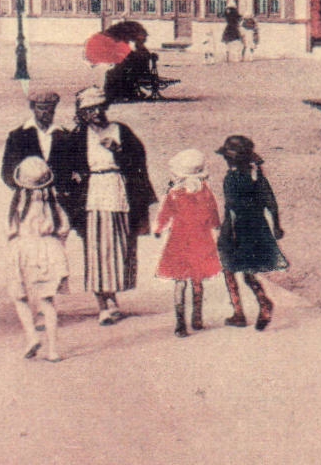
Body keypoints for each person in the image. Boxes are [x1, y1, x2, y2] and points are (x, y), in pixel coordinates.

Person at [71, 87, 156, 325]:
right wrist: (75, 179)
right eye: (90, 110)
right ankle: (103, 305)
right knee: (96, 250)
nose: (96, 113)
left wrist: (118, 151)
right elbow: (65, 166)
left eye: (99, 107)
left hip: (118, 192)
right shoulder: (78, 136)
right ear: (83, 113)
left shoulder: (120, 130)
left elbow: (138, 162)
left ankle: (114, 300)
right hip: (93, 196)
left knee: (118, 248)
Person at [215, 135, 287, 331]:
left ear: (229, 159)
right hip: (257, 227)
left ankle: (238, 312)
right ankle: (263, 302)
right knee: (248, 269)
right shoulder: (257, 176)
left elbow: (231, 208)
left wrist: (226, 233)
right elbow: (270, 202)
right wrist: (276, 226)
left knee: (228, 268)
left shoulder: (231, 179)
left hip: (236, 228)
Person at [154, 148, 222, 337]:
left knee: (180, 281)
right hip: (201, 240)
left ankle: (180, 323)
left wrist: (159, 229)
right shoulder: (205, 192)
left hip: (179, 241)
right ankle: (197, 317)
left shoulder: (174, 193)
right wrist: (216, 226)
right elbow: (213, 213)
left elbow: (164, 214)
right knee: (197, 279)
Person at [7, 157, 68, 362]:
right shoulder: (52, 201)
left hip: (24, 247)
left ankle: (32, 336)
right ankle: (53, 350)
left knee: (19, 296)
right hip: (49, 248)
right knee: (47, 300)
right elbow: (64, 227)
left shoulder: (18, 201)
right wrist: (58, 244)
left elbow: (11, 230)